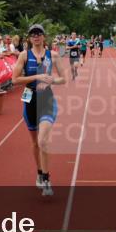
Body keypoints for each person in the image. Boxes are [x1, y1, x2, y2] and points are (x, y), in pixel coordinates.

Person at [12, 24, 67, 196]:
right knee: (36, 142)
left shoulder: (54, 55)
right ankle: (39, 173)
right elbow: (15, 79)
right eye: (33, 34)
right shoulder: (24, 55)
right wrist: (36, 76)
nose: (36, 36)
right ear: (29, 38)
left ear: (44, 37)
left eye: (39, 33)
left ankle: (46, 178)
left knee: (43, 141)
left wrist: (51, 80)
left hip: (46, 100)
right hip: (29, 99)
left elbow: (64, 79)